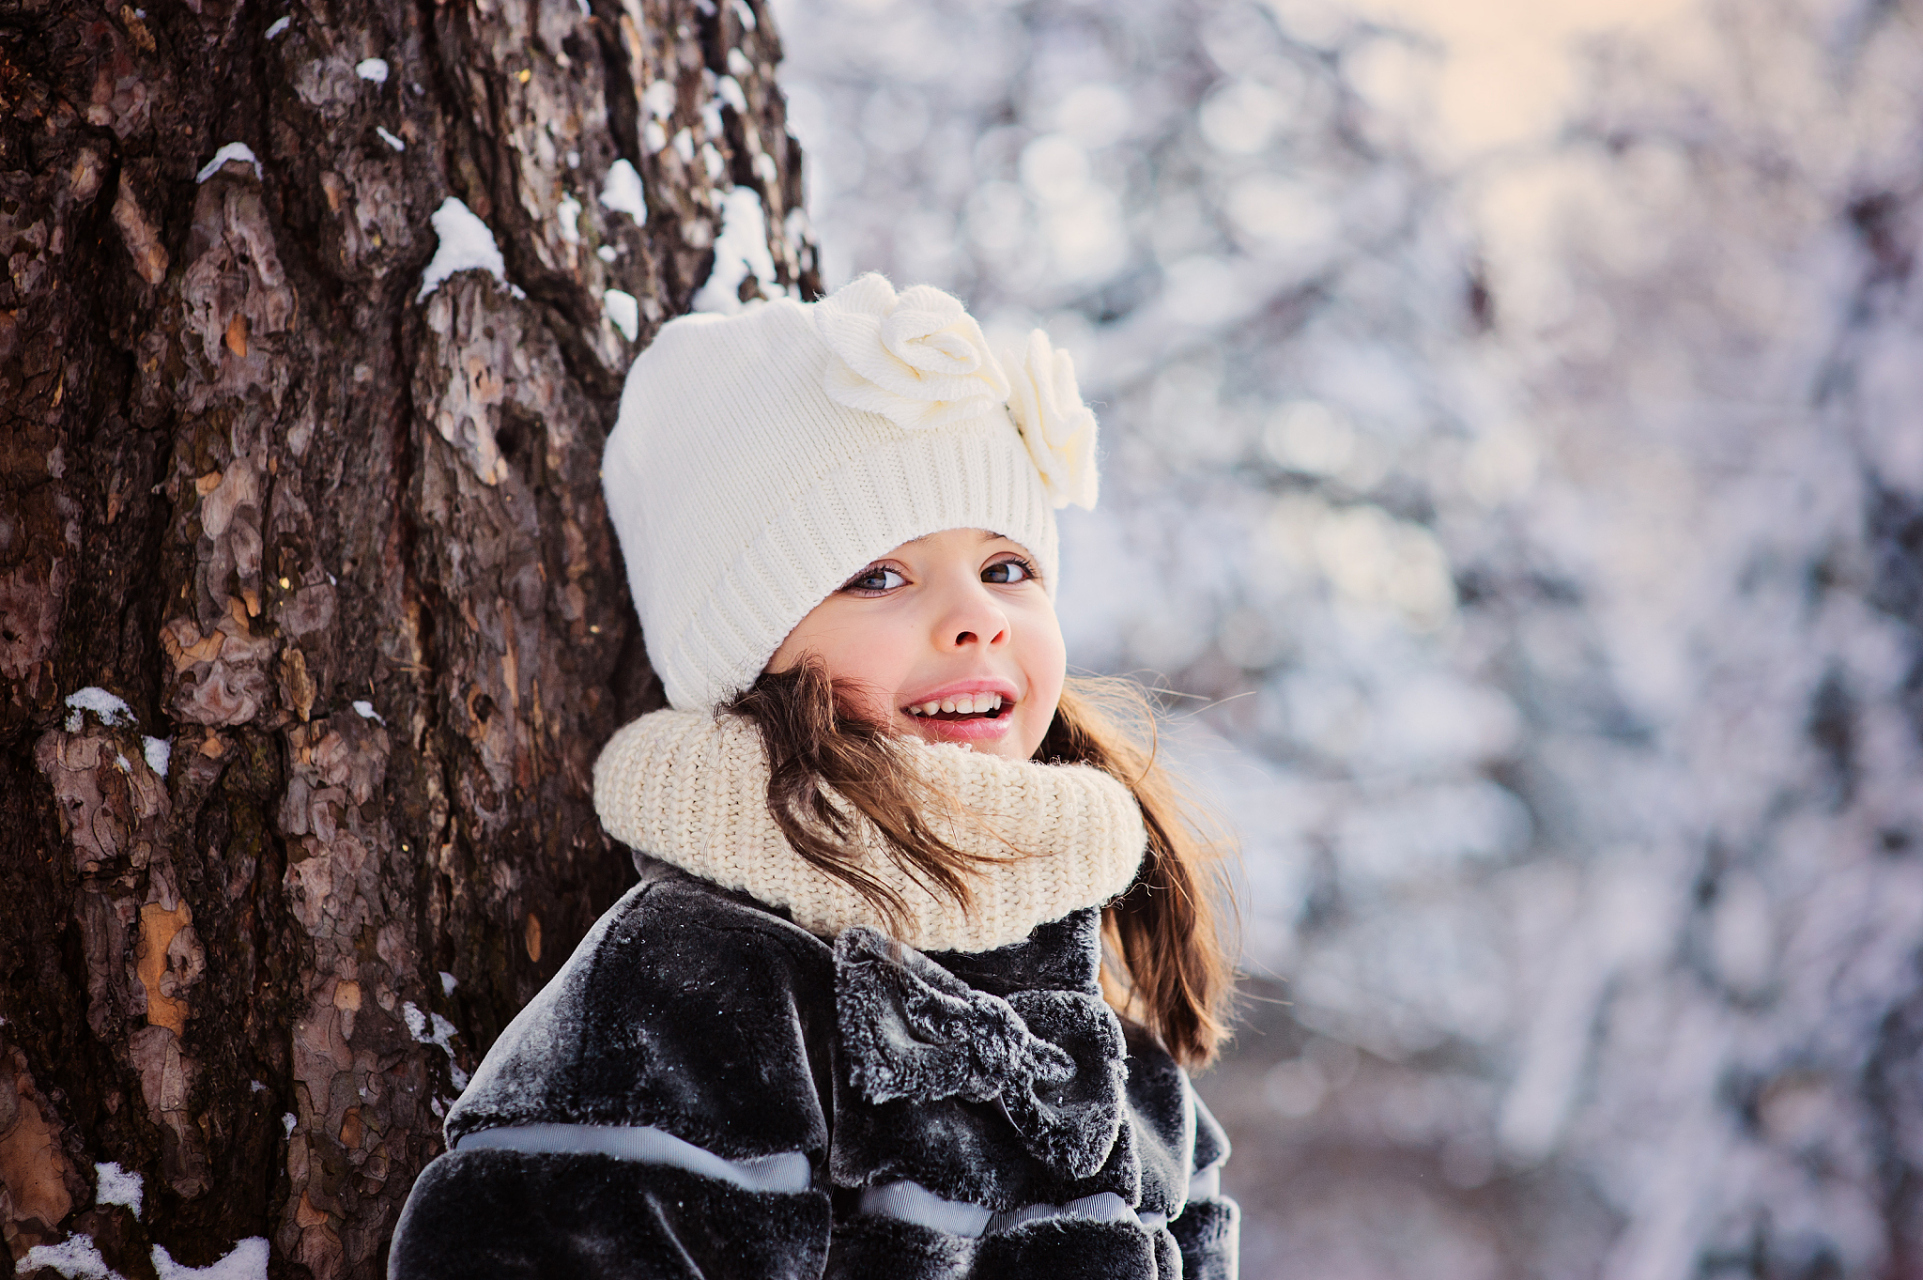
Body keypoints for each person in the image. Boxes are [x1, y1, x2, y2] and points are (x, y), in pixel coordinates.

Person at [387, 274, 1240, 1279]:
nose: (976, 615)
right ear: (756, 652)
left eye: (1007, 566)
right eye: (879, 574)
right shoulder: (701, 984)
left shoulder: (1120, 1057)